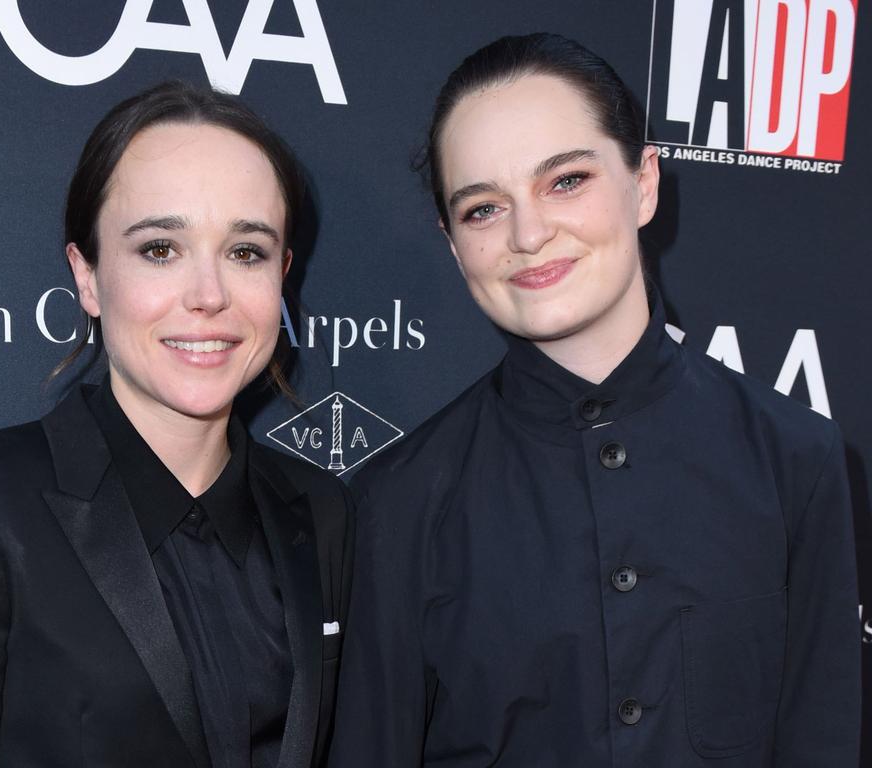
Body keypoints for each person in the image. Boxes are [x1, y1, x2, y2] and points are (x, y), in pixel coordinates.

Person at [329, 33, 859, 767]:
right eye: (483, 208)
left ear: (643, 184)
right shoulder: (400, 502)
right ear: (453, 245)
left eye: (566, 181)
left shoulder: (796, 459)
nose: (530, 232)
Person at [0, 81, 352, 768]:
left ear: (283, 276)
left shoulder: (321, 510)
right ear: (87, 275)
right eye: (160, 249)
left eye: (246, 252)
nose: (208, 296)